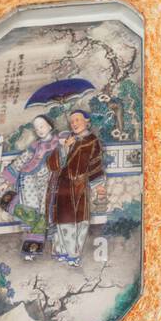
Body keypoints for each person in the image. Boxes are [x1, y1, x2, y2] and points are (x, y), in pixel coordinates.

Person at [46, 108, 106, 265]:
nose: (74, 124)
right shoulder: (67, 139)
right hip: (64, 186)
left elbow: (95, 165)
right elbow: (52, 164)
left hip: (81, 186)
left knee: (81, 222)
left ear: (87, 121)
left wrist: (98, 185)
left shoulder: (93, 141)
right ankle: (66, 253)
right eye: (72, 121)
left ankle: (73, 252)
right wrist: (64, 148)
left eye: (78, 120)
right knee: (65, 220)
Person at [0, 114, 60, 259]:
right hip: (28, 184)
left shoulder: (59, 142)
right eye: (36, 127)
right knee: (33, 214)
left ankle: (46, 248)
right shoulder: (35, 146)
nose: (39, 130)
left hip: (48, 183)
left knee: (44, 215)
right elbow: (22, 160)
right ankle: (33, 249)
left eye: (42, 126)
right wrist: (6, 180)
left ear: (50, 126)